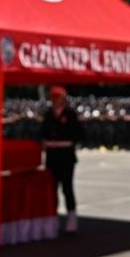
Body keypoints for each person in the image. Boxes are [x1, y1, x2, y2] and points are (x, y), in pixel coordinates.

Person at [41, 85, 84, 233]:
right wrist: (45, 142)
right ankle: (52, 218)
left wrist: (64, 142)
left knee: (67, 188)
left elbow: (78, 135)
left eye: (57, 97)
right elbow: (42, 133)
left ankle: (71, 217)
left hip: (66, 157)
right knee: (51, 189)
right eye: (53, 97)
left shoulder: (70, 114)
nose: (54, 100)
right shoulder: (48, 114)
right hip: (52, 156)